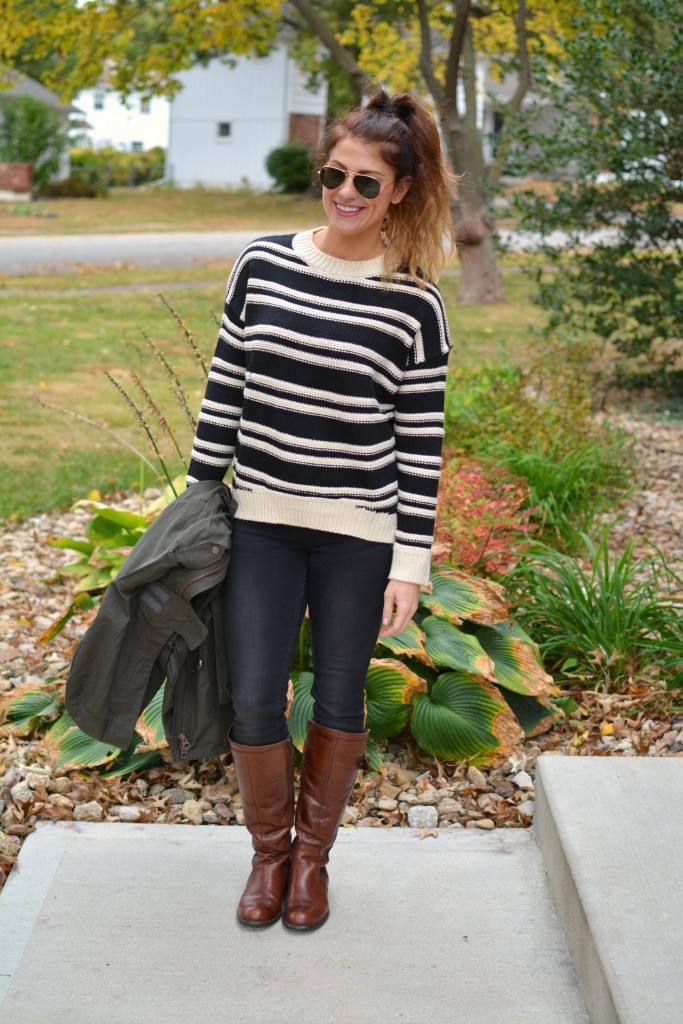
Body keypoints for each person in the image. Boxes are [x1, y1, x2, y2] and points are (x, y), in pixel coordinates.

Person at [185, 89, 454, 931]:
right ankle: (267, 856)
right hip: (261, 524)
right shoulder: (261, 264)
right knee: (257, 698)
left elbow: (419, 444)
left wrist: (410, 564)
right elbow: (223, 389)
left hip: (357, 539)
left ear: (400, 191)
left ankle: (312, 863)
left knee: (340, 702)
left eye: (365, 183)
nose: (344, 193)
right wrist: (195, 504)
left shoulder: (415, 304)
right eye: (333, 174)